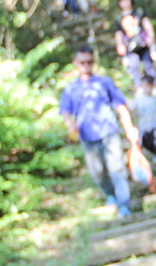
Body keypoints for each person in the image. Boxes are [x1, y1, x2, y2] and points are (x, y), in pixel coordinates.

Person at [59, 46, 142, 217]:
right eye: (82, 62)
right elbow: (65, 109)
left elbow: (120, 105)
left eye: (89, 62)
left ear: (93, 62)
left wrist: (129, 128)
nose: (86, 65)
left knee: (117, 168)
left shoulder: (104, 82)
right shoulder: (70, 88)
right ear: (75, 63)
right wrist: (69, 124)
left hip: (109, 132)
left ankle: (123, 204)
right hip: (87, 136)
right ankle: (110, 193)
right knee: (97, 171)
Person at [114, 0, 156, 85]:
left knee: (148, 65)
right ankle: (139, 88)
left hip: (143, 43)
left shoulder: (139, 12)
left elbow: (146, 23)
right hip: (130, 47)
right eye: (122, 1)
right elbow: (118, 32)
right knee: (134, 67)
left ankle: (153, 86)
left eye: (126, 0)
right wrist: (119, 45)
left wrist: (151, 36)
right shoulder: (119, 18)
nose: (125, 3)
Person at [131, 75, 156, 181]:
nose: (147, 88)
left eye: (149, 86)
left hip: (155, 126)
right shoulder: (139, 98)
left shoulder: (155, 97)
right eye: (145, 86)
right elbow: (131, 109)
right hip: (144, 127)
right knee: (146, 144)